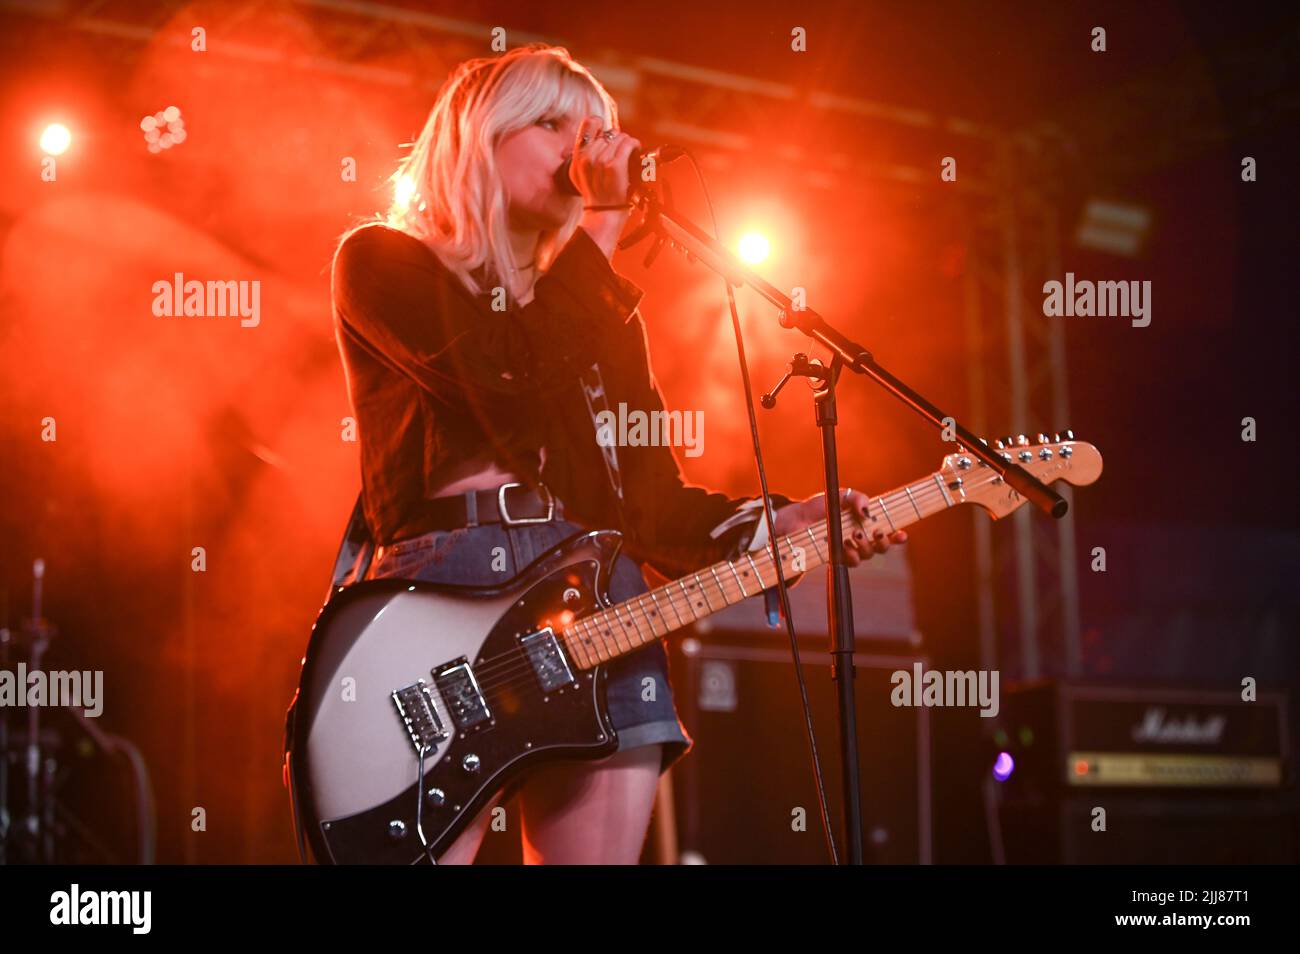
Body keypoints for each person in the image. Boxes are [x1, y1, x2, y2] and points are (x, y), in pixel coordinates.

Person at [329, 43, 905, 865]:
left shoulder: (602, 320)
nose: (581, 150)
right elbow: (502, 373)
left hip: (596, 610)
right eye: (552, 123)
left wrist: (780, 522)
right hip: (435, 615)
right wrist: (600, 229)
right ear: (478, 138)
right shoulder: (384, 262)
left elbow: (649, 506)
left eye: (594, 130)